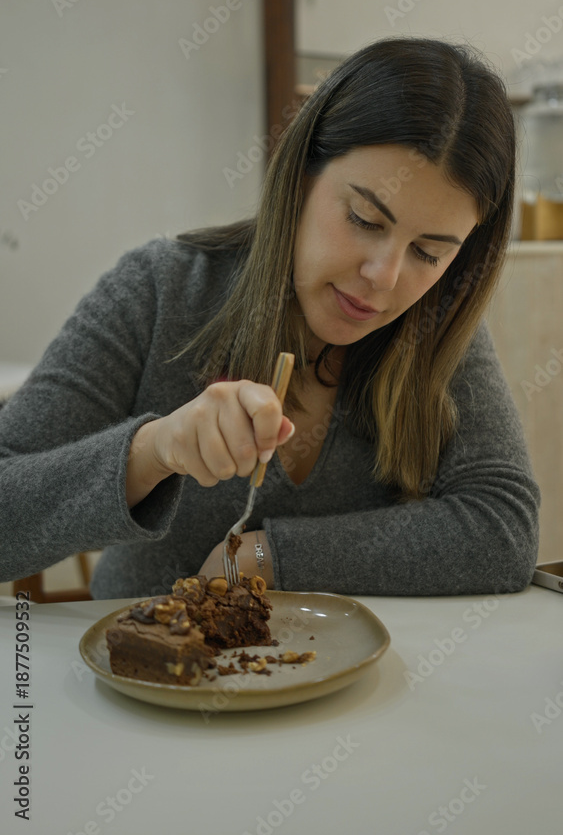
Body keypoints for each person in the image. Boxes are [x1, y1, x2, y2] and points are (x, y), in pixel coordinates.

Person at [0, 37, 540, 599]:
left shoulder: (438, 322)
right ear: (301, 175)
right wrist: (154, 452)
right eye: (363, 219)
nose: (384, 275)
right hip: (139, 675)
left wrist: (265, 556)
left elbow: (502, 527)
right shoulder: (160, 291)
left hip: (352, 684)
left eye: (429, 252)